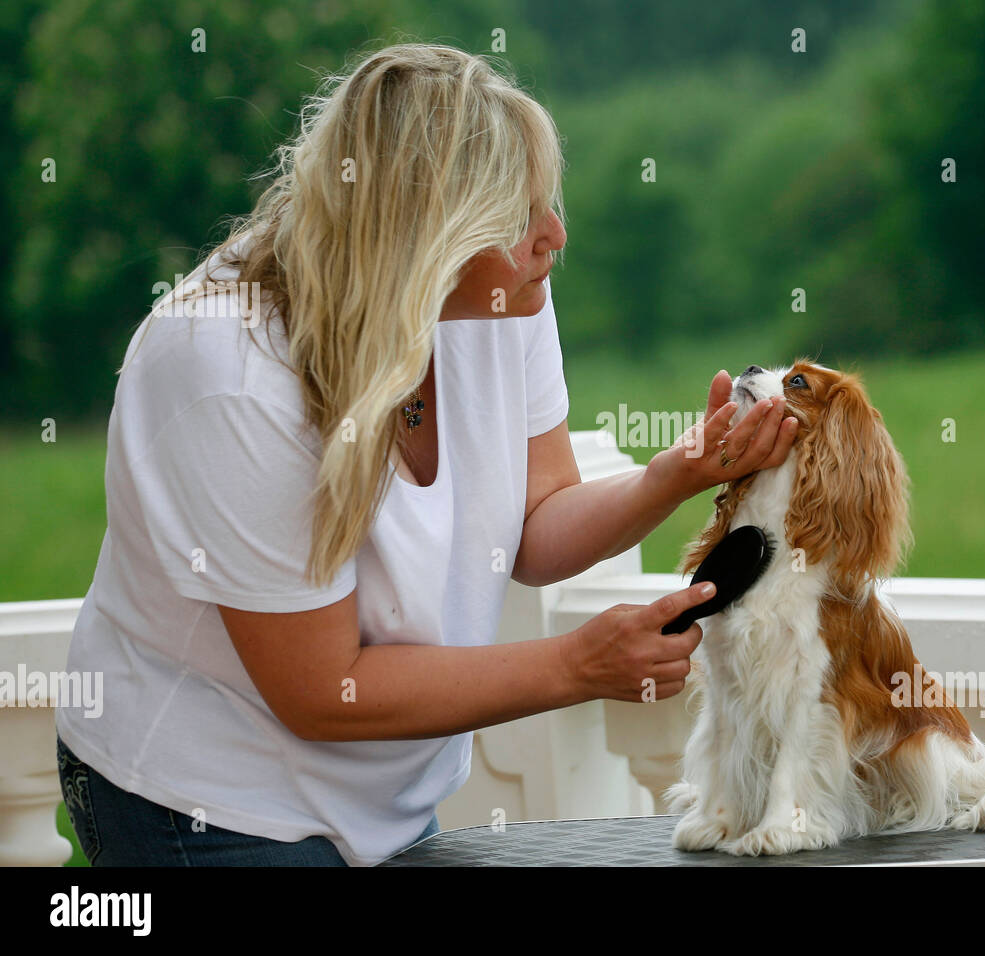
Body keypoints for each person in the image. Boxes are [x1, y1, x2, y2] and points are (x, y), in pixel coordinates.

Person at [55, 42, 799, 867]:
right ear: (427, 240)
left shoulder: (503, 297)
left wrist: (678, 474)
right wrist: (578, 665)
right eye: (519, 220)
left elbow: (534, 527)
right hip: (210, 809)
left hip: (387, 793)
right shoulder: (227, 373)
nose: (554, 235)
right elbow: (322, 693)